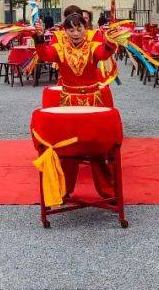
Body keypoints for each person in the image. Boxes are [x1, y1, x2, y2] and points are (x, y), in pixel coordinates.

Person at [32, 13, 119, 198]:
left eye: (79, 28)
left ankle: (109, 191)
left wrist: (110, 41)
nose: (76, 33)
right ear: (65, 30)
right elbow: (45, 55)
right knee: (67, 150)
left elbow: (104, 54)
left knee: (97, 150)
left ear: (85, 28)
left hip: (92, 102)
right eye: (71, 29)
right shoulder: (59, 48)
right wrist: (39, 38)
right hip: (68, 103)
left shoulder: (93, 46)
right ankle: (62, 191)